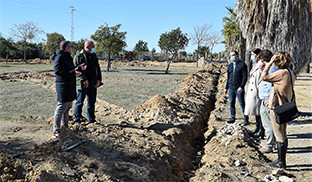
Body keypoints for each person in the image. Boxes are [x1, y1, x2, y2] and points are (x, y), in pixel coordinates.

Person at [260, 51, 295, 168]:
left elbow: (263, 77)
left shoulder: (281, 73)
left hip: (277, 107)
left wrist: (269, 63)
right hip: (286, 106)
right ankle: (281, 160)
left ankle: (281, 162)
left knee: (279, 134)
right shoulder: (290, 73)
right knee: (283, 133)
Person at [52, 41, 86, 138]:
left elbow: (70, 69)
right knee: (61, 108)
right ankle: (56, 131)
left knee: (67, 108)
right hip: (63, 86)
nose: (72, 48)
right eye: (71, 47)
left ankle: (65, 128)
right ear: (66, 48)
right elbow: (58, 71)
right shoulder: (60, 57)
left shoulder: (67, 57)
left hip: (69, 86)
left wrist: (79, 68)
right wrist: (72, 73)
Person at [74, 40, 102, 124]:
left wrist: (99, 80)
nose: (94, 49)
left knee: (91, 103)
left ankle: (91, 120)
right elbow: (77, 70)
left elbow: (98, 68)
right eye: (92, 47)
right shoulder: (80, 56)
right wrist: (84, 80)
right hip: (83, 83)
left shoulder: (93, 55)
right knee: (79, 102)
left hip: (93, 82)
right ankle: (77, 120)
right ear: (87, 47)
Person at [258, 50, 279, 153]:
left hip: (268, 99)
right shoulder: (274, 68)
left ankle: (269, 145)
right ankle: (275, 143)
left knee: (268, 124)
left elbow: (266, 80)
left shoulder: (271, 69)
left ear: (262, 59)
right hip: (268, 98)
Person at [224, 51, 248, 124]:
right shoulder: (230, 66)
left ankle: (246, 119)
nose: (232, 57)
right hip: (231, 88)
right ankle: (232, 118)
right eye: (231, 55)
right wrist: (226, 88)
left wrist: (241, 86)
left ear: (237, 55)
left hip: (239, 88)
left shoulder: (242, 65)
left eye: (233, 55)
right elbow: (228, 78)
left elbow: (244, 77)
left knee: (241, 103)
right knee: (231, 103)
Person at [244, 48, 263, 136]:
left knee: (259, 112)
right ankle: (257, 128)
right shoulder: (255, 64)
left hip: (257, 91)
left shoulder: (261, 65)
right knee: (256, 112)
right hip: (253, 91)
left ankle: (261, 131)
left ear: (258, 55)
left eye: (253, 54)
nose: (252, 56)